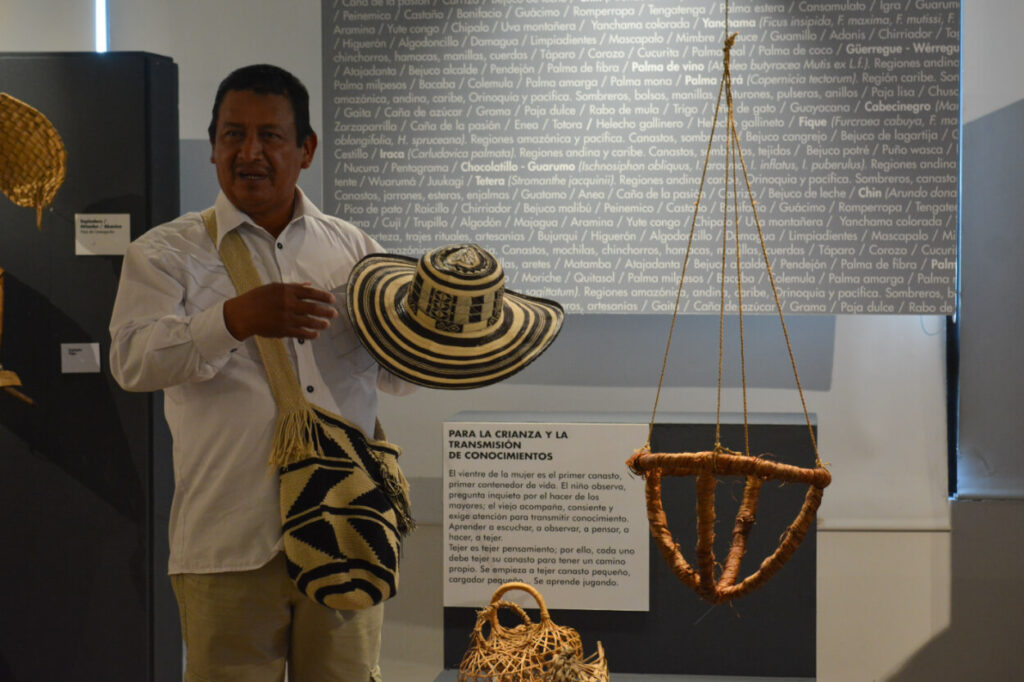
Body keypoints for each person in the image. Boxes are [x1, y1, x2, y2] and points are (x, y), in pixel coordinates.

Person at [109, 64, 413, 682]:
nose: (250, 152)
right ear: (214, 144)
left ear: (305, 149)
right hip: (227, 537)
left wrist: (441, 334)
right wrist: (232, 318)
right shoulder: (165, 252)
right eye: (232, 135)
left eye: (270, 136)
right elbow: (131, 361)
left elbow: (399, 378)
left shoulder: (353, 250)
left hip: (345, 530)